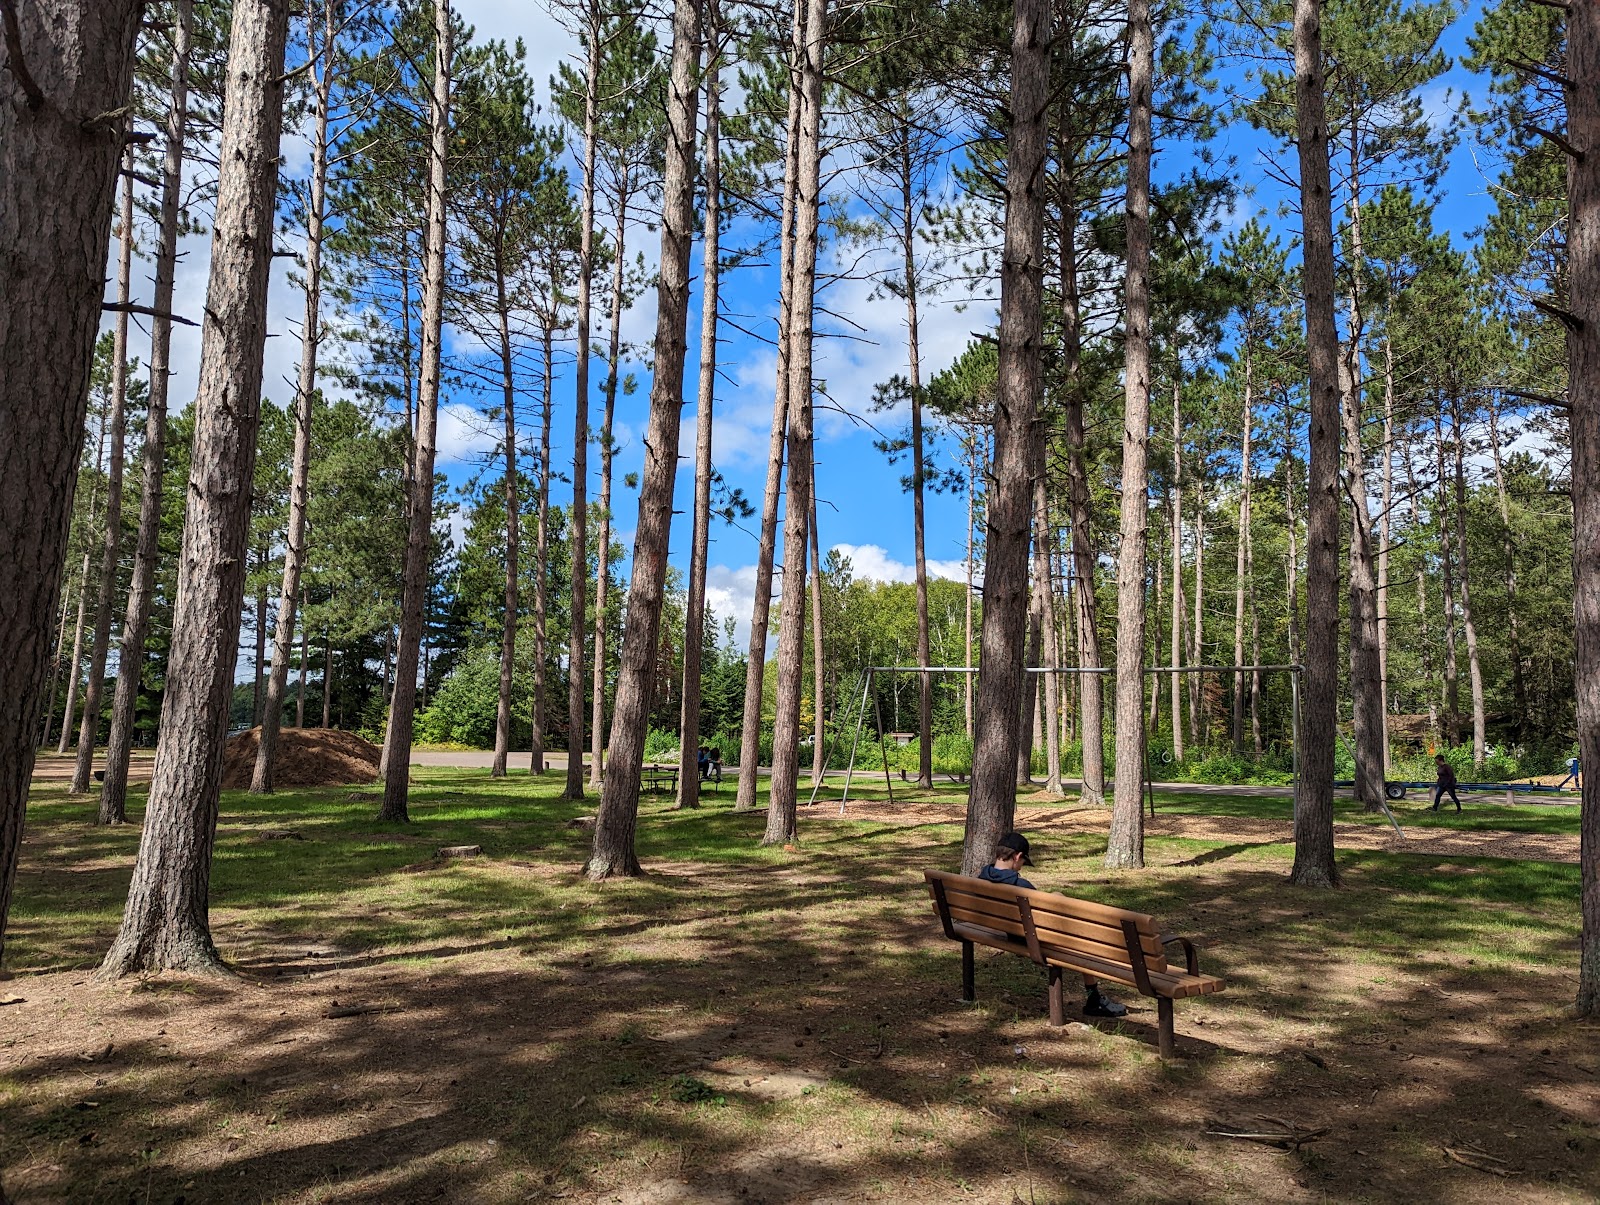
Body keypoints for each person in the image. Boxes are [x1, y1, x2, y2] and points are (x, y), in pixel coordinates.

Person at [976, 831, 1128, 1019]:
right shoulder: (1021, 887)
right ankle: (1093, 997)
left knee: (1056, 898)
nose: (1021, 868)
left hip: (1004, 932)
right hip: (1028, 940)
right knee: (1083, 944)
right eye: (1023, 863)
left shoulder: (982, 878)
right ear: (1017, 857)